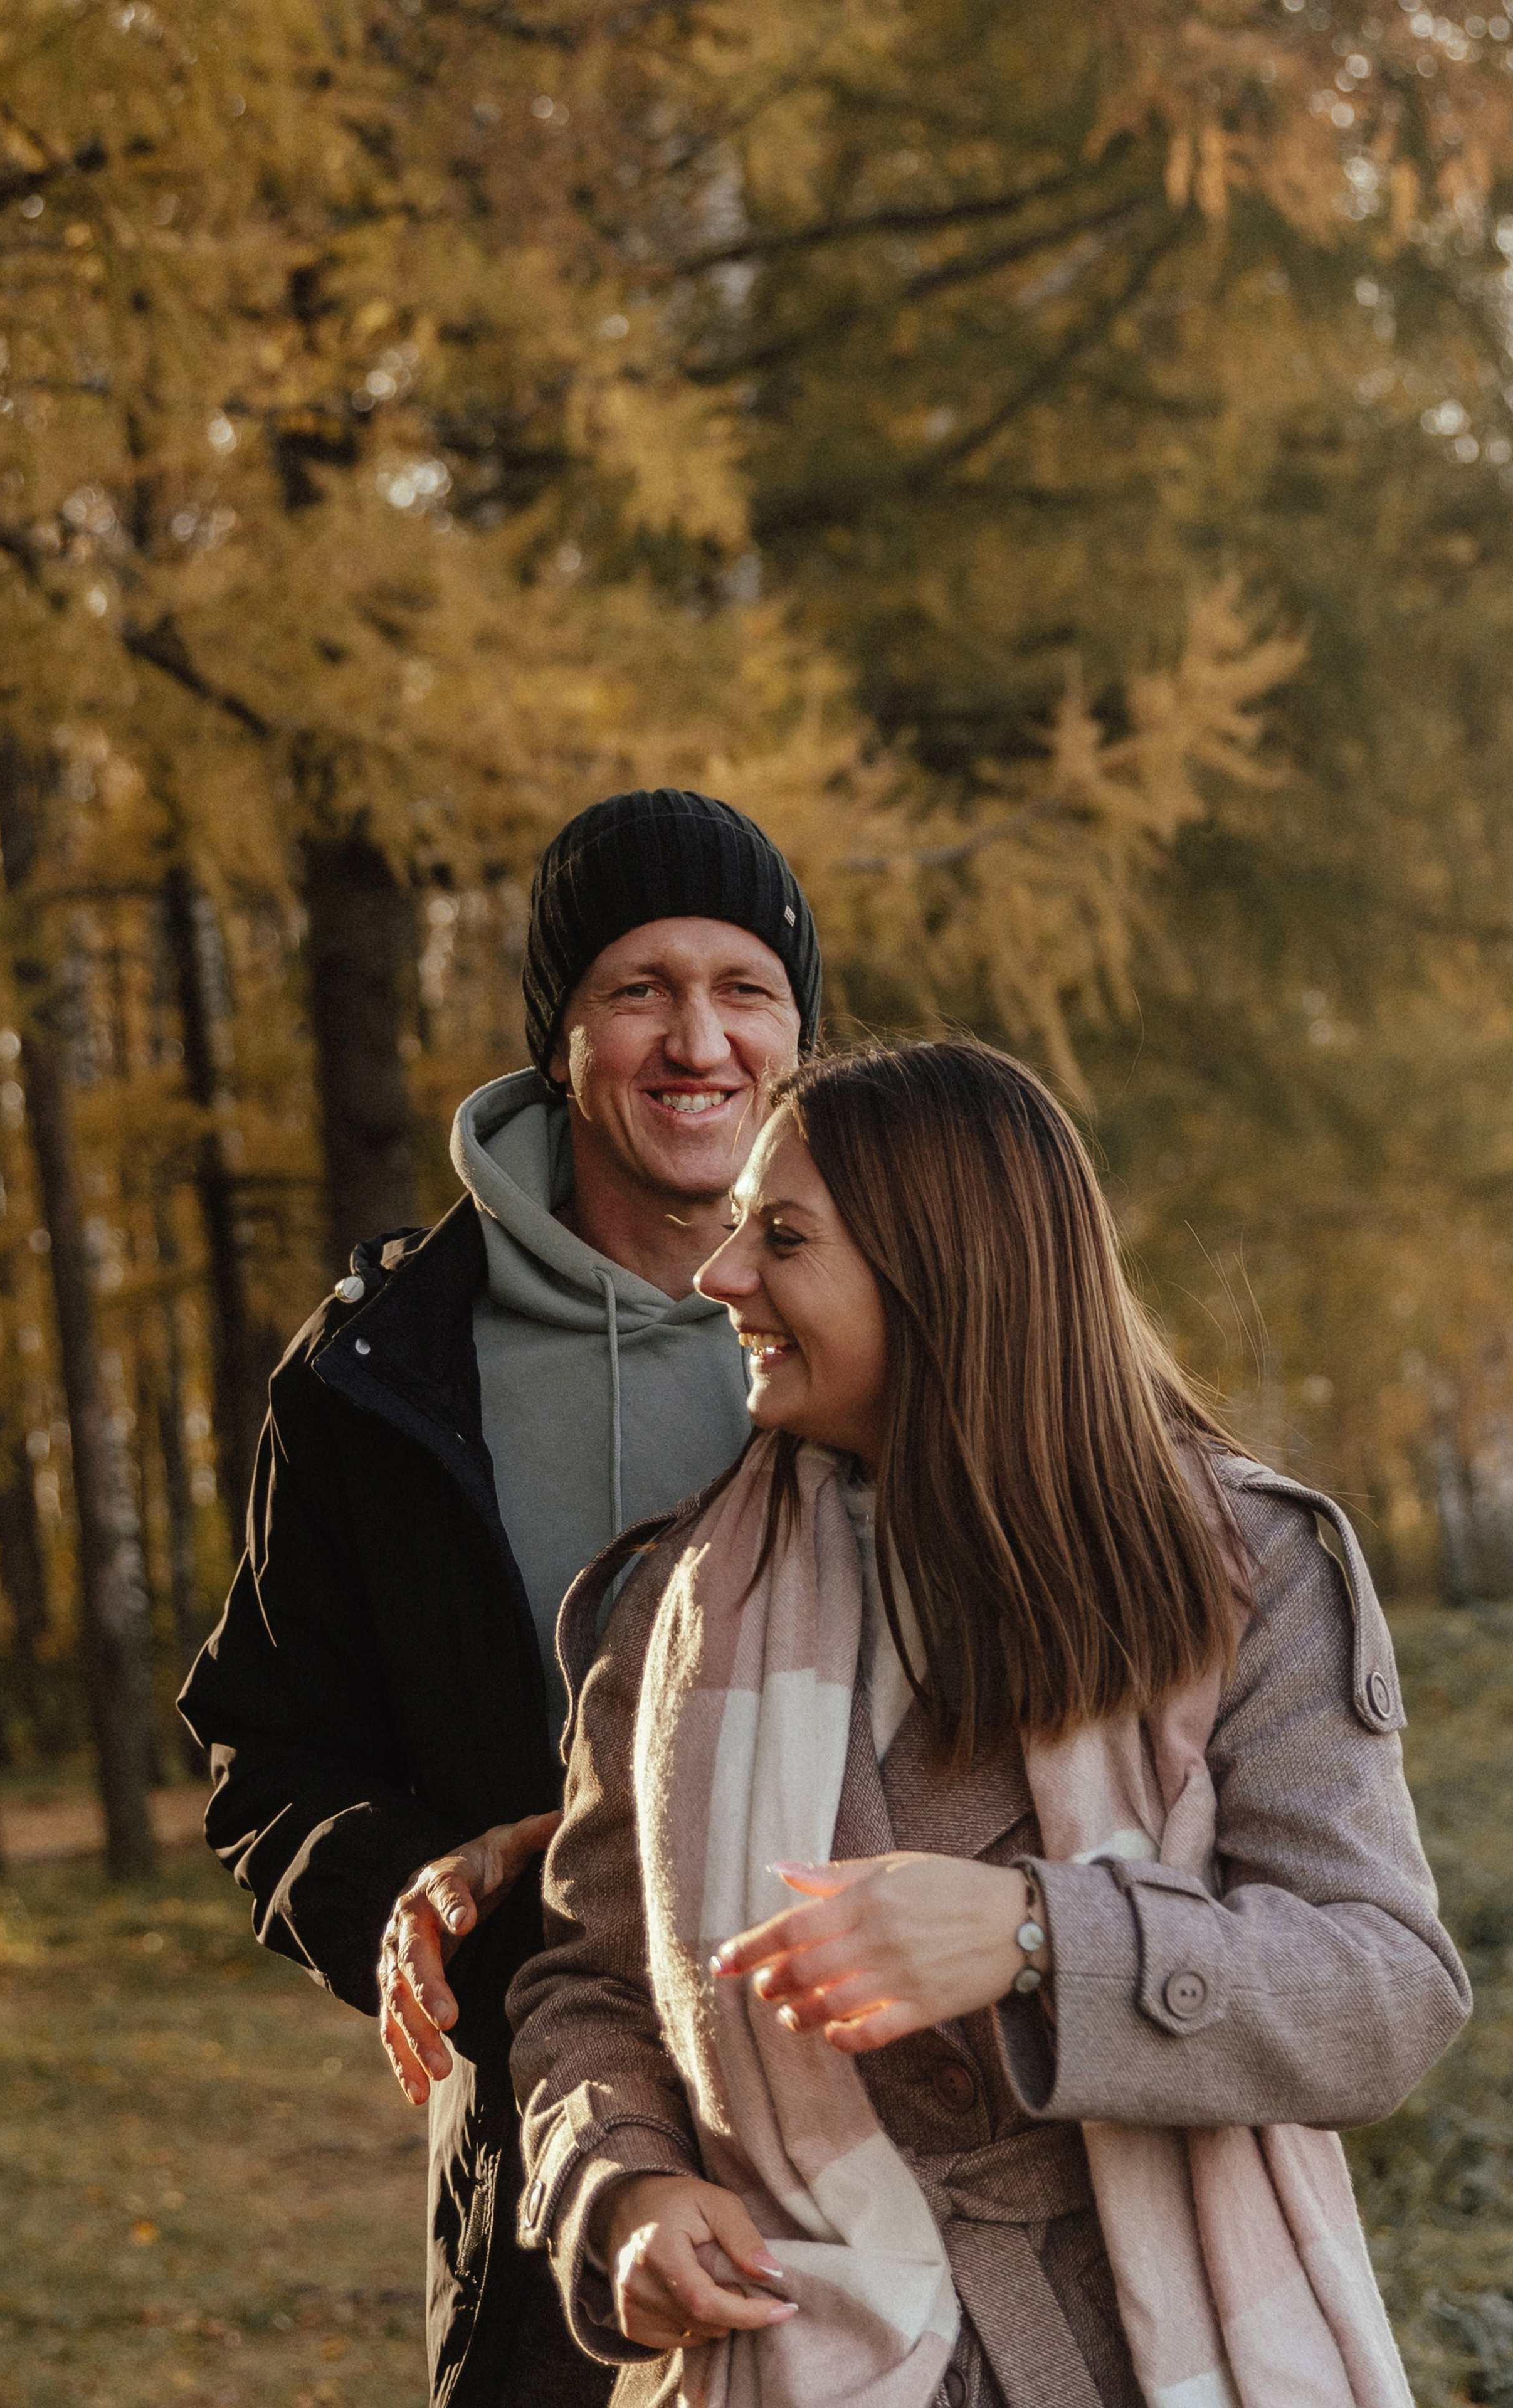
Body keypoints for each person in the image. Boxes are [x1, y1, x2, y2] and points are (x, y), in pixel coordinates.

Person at [509, 1038, 1470, 2408]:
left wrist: (1033, 1937)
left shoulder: (1244, 1571)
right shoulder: (674, 1606)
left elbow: (1385, 1995)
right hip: (787, 2356)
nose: (721, 1279)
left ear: (940, 1270)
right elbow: (593, 1983)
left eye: (779, 1238)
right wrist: (626, 2184)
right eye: (732, 1235)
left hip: (1143, 2349)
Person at [178, 788, 820, 2408]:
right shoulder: (380, 1378)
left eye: (746, 990)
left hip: (879, 2125)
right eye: (639, 990)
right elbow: (266, 1758)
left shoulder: (908, 1318)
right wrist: (433, 1912)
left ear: (797, 1034)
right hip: (553, 2150)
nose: (699, 1041)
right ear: (559, 1041)